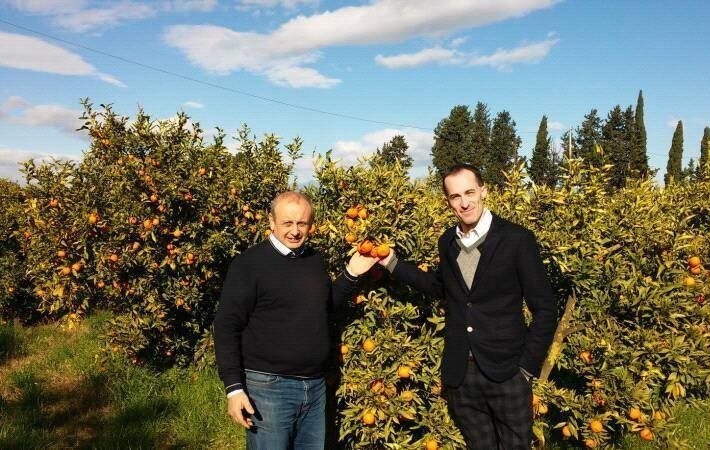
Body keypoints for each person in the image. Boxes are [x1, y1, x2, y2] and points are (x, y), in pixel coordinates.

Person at [379, 164, 558, 449]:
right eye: (455, 196)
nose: (464, 202)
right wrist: (392, 263)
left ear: (483, 190)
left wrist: (526, 368)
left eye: (470, 192)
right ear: (448, 200)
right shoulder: (447, 242)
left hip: (507, 371)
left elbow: (545, 308)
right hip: (462, 374)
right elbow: (442, 287)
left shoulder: (516, 239)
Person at [214, 191, 377, 450]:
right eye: (287, 223)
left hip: (314, 386)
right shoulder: (249, 265)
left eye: (301, 223)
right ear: (271, 222)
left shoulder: (313, 259)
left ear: (310, 224)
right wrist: (234, 388)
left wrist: (351, 273)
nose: (295, 231)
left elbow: (323, 305)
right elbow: (226, 326)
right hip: (269, 388)